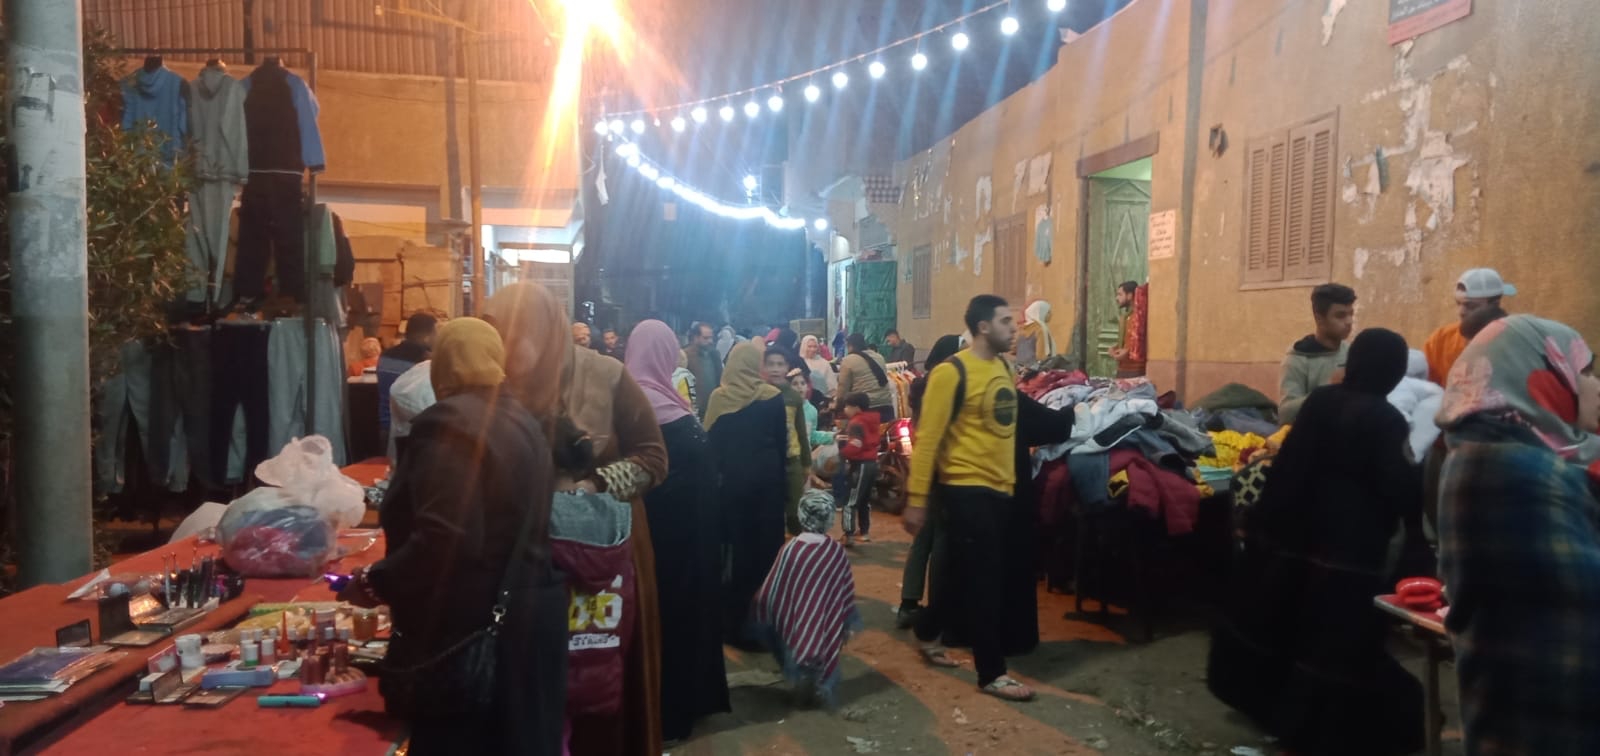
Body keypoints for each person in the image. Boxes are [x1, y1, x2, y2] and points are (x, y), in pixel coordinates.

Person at [340, 317, 566, 755]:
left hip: (475, 631)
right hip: (530, 619)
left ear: (443, 364)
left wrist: (375, 582)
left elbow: (447, 539)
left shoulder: (450, 427)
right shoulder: (520, 419)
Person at [1207, 328, 1425, 756]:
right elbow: (1400, 490)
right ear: (1393, 373)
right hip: (1348, 555)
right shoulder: (1387, 421)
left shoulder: (1321, 403)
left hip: (1295, 543)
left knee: (1289, 628)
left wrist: (1261, 524)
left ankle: (1278, 715)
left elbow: (1287, 466)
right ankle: (1314, 730)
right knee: (1333, 646)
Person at [485, 283, 669, 756]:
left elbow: (654, 459)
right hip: (529, 560)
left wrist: (591, 487)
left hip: (604, 560)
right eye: (498, 335)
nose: (506, 348)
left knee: (603, 690)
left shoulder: (606, 376)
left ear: (545, 332)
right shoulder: (494, 386)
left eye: (516, 335)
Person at [1435, 316, 1600, 754]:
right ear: (1546, 377)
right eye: (1584, 371)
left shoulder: (1484, 452)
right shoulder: (1515, 471)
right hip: (1549, 719)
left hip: (1512, 713)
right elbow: (1581, 600)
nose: (1596, 385)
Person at [903, 294, 1034, 702]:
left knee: (962, 573)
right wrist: (917, 498)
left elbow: (1004, 432)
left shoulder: (1004, 368)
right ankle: (991, 672)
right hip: (963, 488)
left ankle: (926, 630)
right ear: (982, 327)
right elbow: (928, 440)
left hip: (1000, 490)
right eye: (1005, 321)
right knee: (986, 580)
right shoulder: (951, 373)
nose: (1014, 328)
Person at [623, 320, 730, 743]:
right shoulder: (639, 405)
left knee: (669, 621)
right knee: (669, 621)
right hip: (667, 542)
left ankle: (675, 707)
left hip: (675, 538)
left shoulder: (651, 399)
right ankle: (668, 713)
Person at [705, 342, 791, 647]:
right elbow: (781, 444)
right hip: (768, 486)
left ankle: (736, 626)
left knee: (738, 555)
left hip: (734, 488)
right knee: (768, 553)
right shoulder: (772, 396)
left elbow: (710, 447)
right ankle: (767, 625)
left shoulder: (720, 398)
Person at [751, 489, 863, 706]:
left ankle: (801, 682)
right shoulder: (835, 551)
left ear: (801, 515)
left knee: (794, 648)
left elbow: (776, 583)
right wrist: (847, 616)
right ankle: (818, 684)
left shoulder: (791, 549)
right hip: (825, 617)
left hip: (796, 616)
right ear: (830, 519)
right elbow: (844, 586)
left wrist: (764, 603)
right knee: (822, 648)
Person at [896, 334, 964, 628]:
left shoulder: (922, 384)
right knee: (940, 542)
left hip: (925, 469)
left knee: (923, 541)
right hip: (941, 469)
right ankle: (938, 609)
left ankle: (909, 603)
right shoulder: (945, 383)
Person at [1421, 268, 1516, 386]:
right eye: (1458, 304)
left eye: (1470, 306)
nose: (1461, 312)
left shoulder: (1515, 341)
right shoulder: (1440, 340)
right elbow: (1424, 386)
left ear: (1495, 305)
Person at [1278, 283, 1356, 424]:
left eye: (1351, 314)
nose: (1349, 322)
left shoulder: (1352, 352)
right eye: (1340, 316)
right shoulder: (1298, 359)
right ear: (1319, 319)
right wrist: (1328, 390)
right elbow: (1285, 414)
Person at [764, 347, 813, 537]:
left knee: (795, 510)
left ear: (787, 367)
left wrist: (806, 463)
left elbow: (801, 432)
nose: (775, 369)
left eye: (780, 364)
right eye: (770, 364)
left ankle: (796, 549)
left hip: (792, 460)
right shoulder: (760, 394)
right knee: (772, 512)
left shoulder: (793, 397)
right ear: (764, 367)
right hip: (769, 462)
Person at [378, 312, 437, 442]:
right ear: (427, 336)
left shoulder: (384, 355)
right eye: (435, 334)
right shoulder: (425, 360)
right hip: (410, 431)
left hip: (384, 425)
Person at [838, 392, 882, 546]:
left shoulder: (856, 422)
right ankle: (864, 532)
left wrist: (842, 454)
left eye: (847, 406)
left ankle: (848, 534)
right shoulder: (871, 420)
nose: (845, 409)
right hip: (872, 463)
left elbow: (856, 444)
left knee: (850, 500)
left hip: (860, 464)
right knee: (864, 500)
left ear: (856, 408)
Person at [835, 333, 897, 421]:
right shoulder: (879, 357)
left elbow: (843, 387)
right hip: (887, 407)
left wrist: (838, 408)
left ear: (850, 346)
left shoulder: (848, 360)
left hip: (865, 409)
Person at [683, 322, 722, 419]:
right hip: (693, 410)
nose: (710, 341)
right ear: (695, 338)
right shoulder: (685, 356)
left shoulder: (714, 355)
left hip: (712, 408)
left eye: (711, 338)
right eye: (706, 338)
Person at [1108, 284, 1146, 378]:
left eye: (1120, 294)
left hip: (1136, 368)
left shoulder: (1139, 317)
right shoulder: (1126, 317)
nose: (1117, 298)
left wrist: (1128, 352)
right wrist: (1115, 348)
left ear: (1129, 295)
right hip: (1122, 367)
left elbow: (1142, 341)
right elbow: (1126, 340)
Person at [1016, 300, 1058, 366]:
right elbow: (1042, 355)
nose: (1051, 315)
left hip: (1019, 367)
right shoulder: (1040, 329)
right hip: (1034, 368)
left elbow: (1014, 349)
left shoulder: (1023, 328)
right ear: (1041, 313)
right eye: (1048, 312)